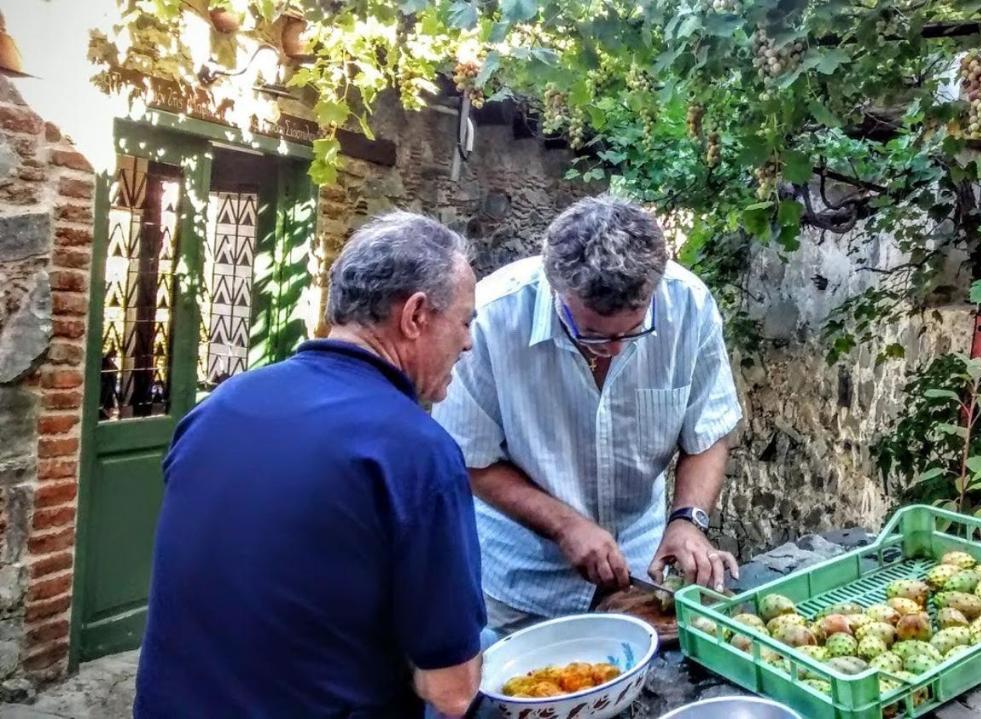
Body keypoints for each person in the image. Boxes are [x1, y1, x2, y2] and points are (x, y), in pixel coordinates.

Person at [135, 212, 486, 718]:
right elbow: (451, 690)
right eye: (465, 321)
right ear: (415, 316)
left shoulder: (219, 405)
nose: (469, 342)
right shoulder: (417, 451)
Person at [433, 196, 742, 637]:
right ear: (556, 287)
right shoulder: (492, 319)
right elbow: (469, 458)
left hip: (640, 567)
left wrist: (687, 521)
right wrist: (564, 525)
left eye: (633, 330)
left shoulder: (687, 306)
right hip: (522, 583)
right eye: (592, 333)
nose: (615, 349)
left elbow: (708, 432)